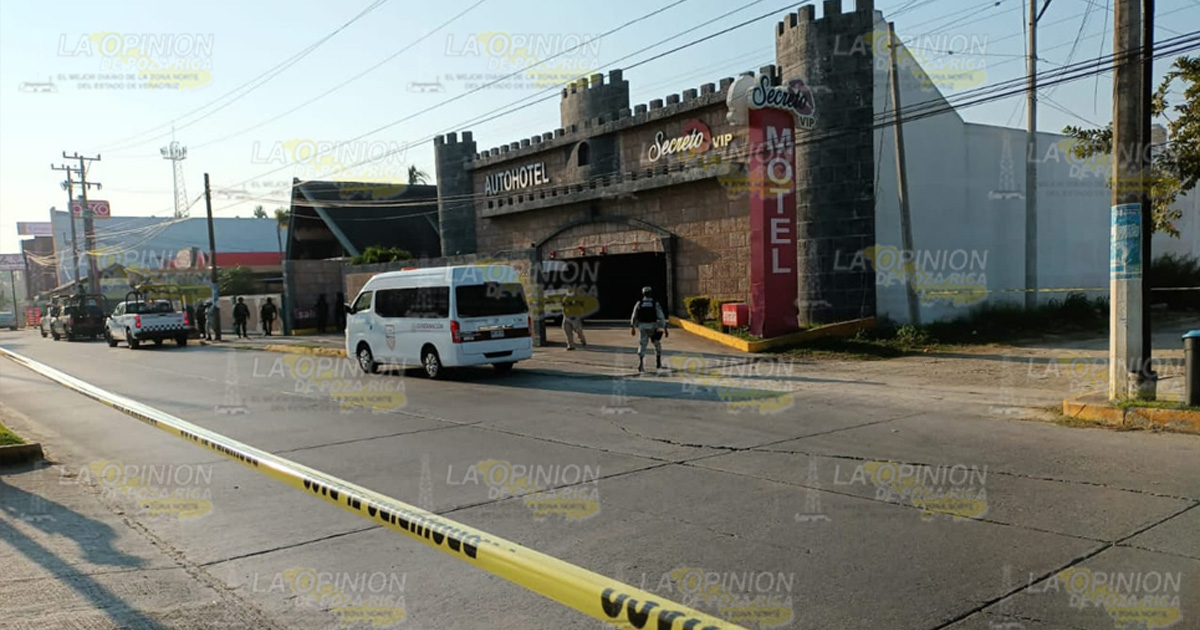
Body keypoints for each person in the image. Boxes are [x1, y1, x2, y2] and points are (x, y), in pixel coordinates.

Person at [629, 286, 668, 372]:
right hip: (653, 327)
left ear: (643, 294)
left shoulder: (639, 303)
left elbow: (634, 315)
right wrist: (664, 327)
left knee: (642, 344)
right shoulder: (655, 303)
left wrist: (633, 327)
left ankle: (641, 364)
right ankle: (658, 362)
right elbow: (661, 316)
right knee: (657, 344)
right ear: (651, 293)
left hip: (642, 327)